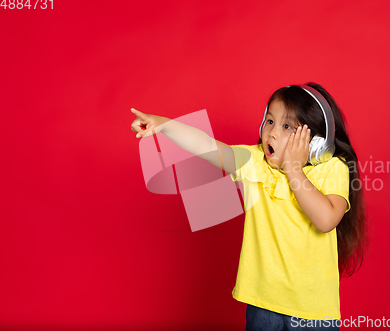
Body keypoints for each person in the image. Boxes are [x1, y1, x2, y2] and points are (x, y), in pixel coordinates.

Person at [130, 82, 368, 331]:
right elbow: (207, 146)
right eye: (270, 121)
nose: (272, 132)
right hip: (262, 303)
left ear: (316, 143)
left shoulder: (332, 168)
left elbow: (326, 219)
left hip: (311, 310)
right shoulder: (256, 161)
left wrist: (294, 169)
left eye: (287, 126)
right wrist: (164, 124)